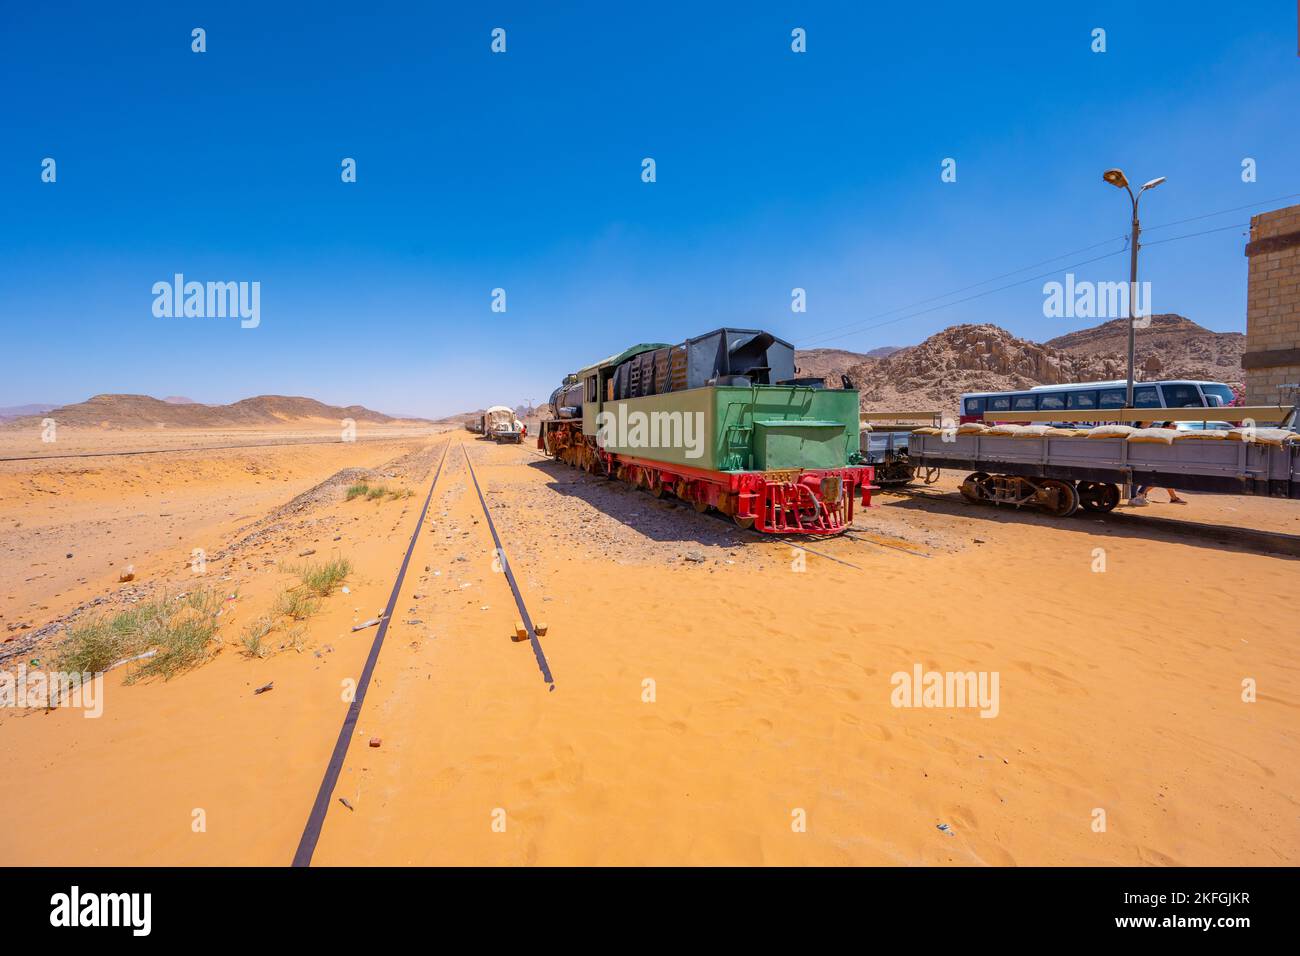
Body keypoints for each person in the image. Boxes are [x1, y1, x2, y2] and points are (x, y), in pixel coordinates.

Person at [1129, 421, 1187, 506]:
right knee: (1155, 478)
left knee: (1160, 478)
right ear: (1166, 427)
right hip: (1149, 459)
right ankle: (1138, 495)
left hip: (1155, 459)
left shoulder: (1154, 431)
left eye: (1176, 425)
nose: (1176, 427)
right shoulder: (1157, 433)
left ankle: (1140, 495)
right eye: (1173, 425)